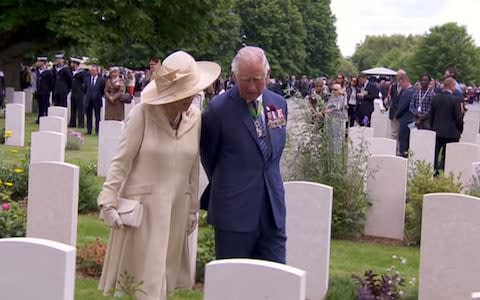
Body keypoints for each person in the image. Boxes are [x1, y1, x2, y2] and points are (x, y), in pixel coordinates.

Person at [97, 51, 221, 300]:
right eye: (184, 94)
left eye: (192, 92)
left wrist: (192, 209)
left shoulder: (194, 118)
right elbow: (121, 161)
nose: (189, 99)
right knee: (143, 280)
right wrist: (108, 201)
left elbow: (193, 167)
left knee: (164, 276)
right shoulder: (143, 114)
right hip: (145, 210)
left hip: (176, 207)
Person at [200, 46, 288, 263]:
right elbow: (209, 156)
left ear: (267, 76)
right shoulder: (218, 110)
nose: (251, 86)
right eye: (245, 79)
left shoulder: (279, 104)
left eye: (257, 79)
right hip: (234, 213)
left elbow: (273, 153)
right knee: (233, 284)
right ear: (234, 76)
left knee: (275, 283)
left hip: (272, 209)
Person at [431, 77, 464, 173]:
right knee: (447, 156)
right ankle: (443, 171)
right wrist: (460, 129)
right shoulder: (456, 100)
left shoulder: (435, 98)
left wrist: (433, 128)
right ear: (452, 86)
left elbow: (431, 115)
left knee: (435, 153)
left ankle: (434, 171)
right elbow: (458, 118)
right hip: (451, 133)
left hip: (436, 131)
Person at [395, 75, 415, 157]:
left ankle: (403, 157)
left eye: (400, 84)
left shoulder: (408, 92)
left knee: (403, 140)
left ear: (405, 81)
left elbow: (403, 106)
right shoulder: (414, 90)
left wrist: (397, 115)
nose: (400, 86)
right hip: (410, 119)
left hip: (405, 119)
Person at [325, 83, 347, 152]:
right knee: (330, 135)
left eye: (335, 89)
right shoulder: (331, 97)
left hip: (338, 118)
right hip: (330, 118)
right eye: (332, 89)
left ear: (339, 90)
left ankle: (337, 153)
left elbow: (338, 107)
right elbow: (327, 105)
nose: (333, 91)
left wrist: (330, 109)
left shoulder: (342, 98)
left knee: (337, 136)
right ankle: (330, 152)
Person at [388, 69, 406, 150]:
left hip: (402, 113)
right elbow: (391, 97)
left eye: (400, 76)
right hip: (393, 112)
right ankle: (393, 150)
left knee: (401, 133)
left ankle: (400, 150)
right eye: (398, 76)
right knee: (393, 133)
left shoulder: (406, 87)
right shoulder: (393, 86)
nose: (398, 78)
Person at [85, 65, 105, 135]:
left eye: (94, 71)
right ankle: (89, 130)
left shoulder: (101, 80)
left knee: (97, 116)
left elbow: (102, 90)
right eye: (91, 71)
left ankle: (97, 130)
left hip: (97, 100)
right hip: (88, 100)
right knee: (88, 116)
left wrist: (98, 96)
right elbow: (85, 89)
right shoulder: (87, 79)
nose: (92, 72)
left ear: (97, 71)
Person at [34, 56, 55, 123]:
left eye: (39, 61)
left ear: (43, 62)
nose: (37, 63)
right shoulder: (38, 71)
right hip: (39, 91)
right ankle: (39, 118)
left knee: (46, 105)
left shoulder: (48, 72)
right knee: (40, 106)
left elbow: (51, 83)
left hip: (45, 91)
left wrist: (49, 89)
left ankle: (46, 117)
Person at [69, 57, 87, 128]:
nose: (71, 64)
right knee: (73, 108)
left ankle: (81, 124)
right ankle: (72, 123)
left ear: (76, 64)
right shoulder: (72, 72)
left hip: (79, 93)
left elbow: (84, 84)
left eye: (72, 63)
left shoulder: (82, 73)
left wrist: (83, 91)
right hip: (73, 92)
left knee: (80, 109)